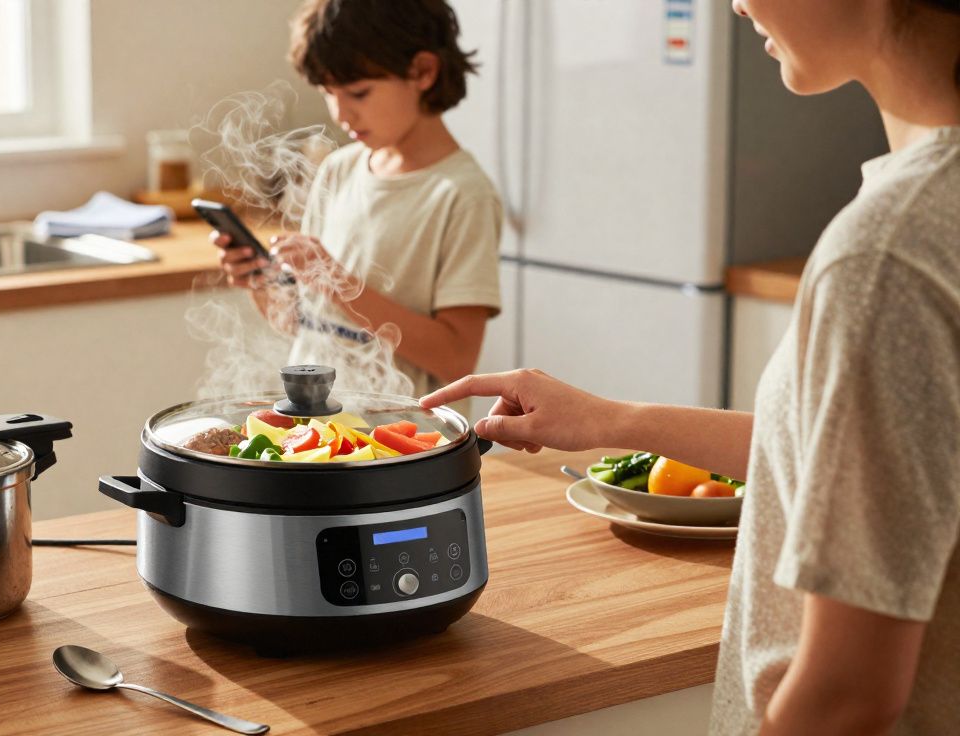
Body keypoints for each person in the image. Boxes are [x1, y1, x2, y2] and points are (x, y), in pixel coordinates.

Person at [421, 0, 960, 733]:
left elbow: (847, 696)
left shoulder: (886, 253)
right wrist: (612, 422)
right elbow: (886, 471)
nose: (735, 3)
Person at [210, 0, 502, 403]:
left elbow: (456, 360)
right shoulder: (338, 170)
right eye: (329, 93)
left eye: (358, 93)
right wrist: (261, 284)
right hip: (317, 428)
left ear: (423, 71)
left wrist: (341, 284)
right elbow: (309, 322)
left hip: (401, 446)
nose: (340, 113)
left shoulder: (461, 195)